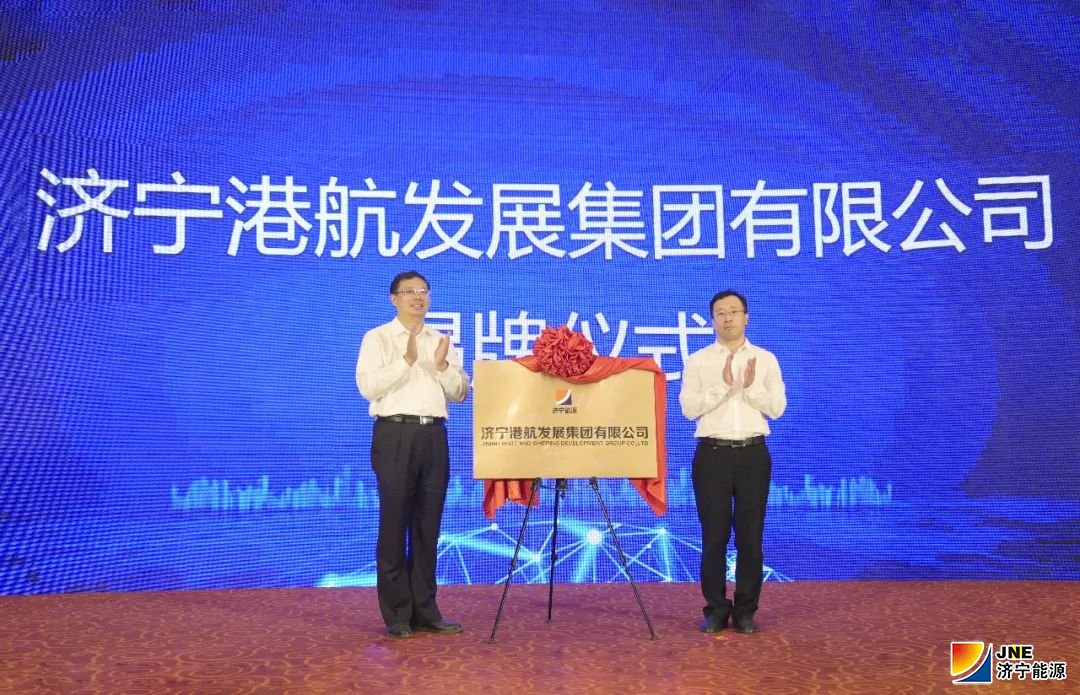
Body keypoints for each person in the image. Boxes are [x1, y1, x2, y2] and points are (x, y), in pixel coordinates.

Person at [355, 271, 470, 639]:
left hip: (433, 435)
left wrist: (442, 366)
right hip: (395, 433)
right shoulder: (377, 338)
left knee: (427, 526)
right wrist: (405, 361)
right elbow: (367, 387)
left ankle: (426, 610)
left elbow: (460, 392)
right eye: (410, 292)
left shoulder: (440, 341)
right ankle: (397, 613)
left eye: (423, 291)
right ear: (394, 299)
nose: (418, 297)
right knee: (394, 524)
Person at [679, 290, 786, 635]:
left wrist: (751, 388)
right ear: (712, 320)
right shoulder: (698, 361)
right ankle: (715, 609)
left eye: (734, 311)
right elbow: (688, 409)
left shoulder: (765, 359)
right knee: (714, 537)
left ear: (746, 317)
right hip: (712, 455)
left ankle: (745, 611)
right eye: (720, 313)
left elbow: (777, 409)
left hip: (754, 454)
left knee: (750, 538)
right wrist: (722, 387)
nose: (728, 318)